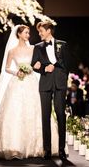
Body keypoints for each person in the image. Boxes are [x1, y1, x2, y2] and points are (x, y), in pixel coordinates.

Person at [0, 24, 59, 159]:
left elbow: (37, 63)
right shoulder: (12, 51)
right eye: (26, 33)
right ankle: (14, 146)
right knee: (15, 111)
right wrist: (16, 72)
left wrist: (35, 67)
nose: (28, 35)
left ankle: (37, 146)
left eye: (28, 33)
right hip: (17, 83)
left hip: (31, 81)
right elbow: (7, 68)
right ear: (19, 34)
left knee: (34, 111)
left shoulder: (32, 49)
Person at [31, 21, 72, 160]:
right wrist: (43, 68)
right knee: (45, 117)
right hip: (45, 84)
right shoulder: (37, 47)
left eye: (41, 30)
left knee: (61, 115)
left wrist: (62, 78)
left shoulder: (62, 44)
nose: (39, 33)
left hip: (60, 84)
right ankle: (46, 150)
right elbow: (34, 65)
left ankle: (61, 150)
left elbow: (67, 65)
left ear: (48, 30)